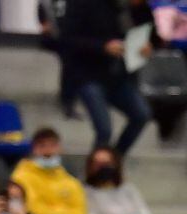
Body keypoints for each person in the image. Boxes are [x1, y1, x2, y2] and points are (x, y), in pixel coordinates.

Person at [59, 0, 154, 155]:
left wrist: (148, 45)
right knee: (104, 129)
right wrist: (102, 47)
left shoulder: (134, 7)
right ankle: (96, 172)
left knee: (141, 115)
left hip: (119, 75)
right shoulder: (83, 4)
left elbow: (150, 33)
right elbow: (67, 39)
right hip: (87, 74)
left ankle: (114, 162)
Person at [10, 129, 88, 214]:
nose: (48, 151)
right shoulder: (21, 177)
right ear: (33, 149)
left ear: (60, 148)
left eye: (52, 145)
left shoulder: (71, 182)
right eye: (42, 146)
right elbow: (33, 213)